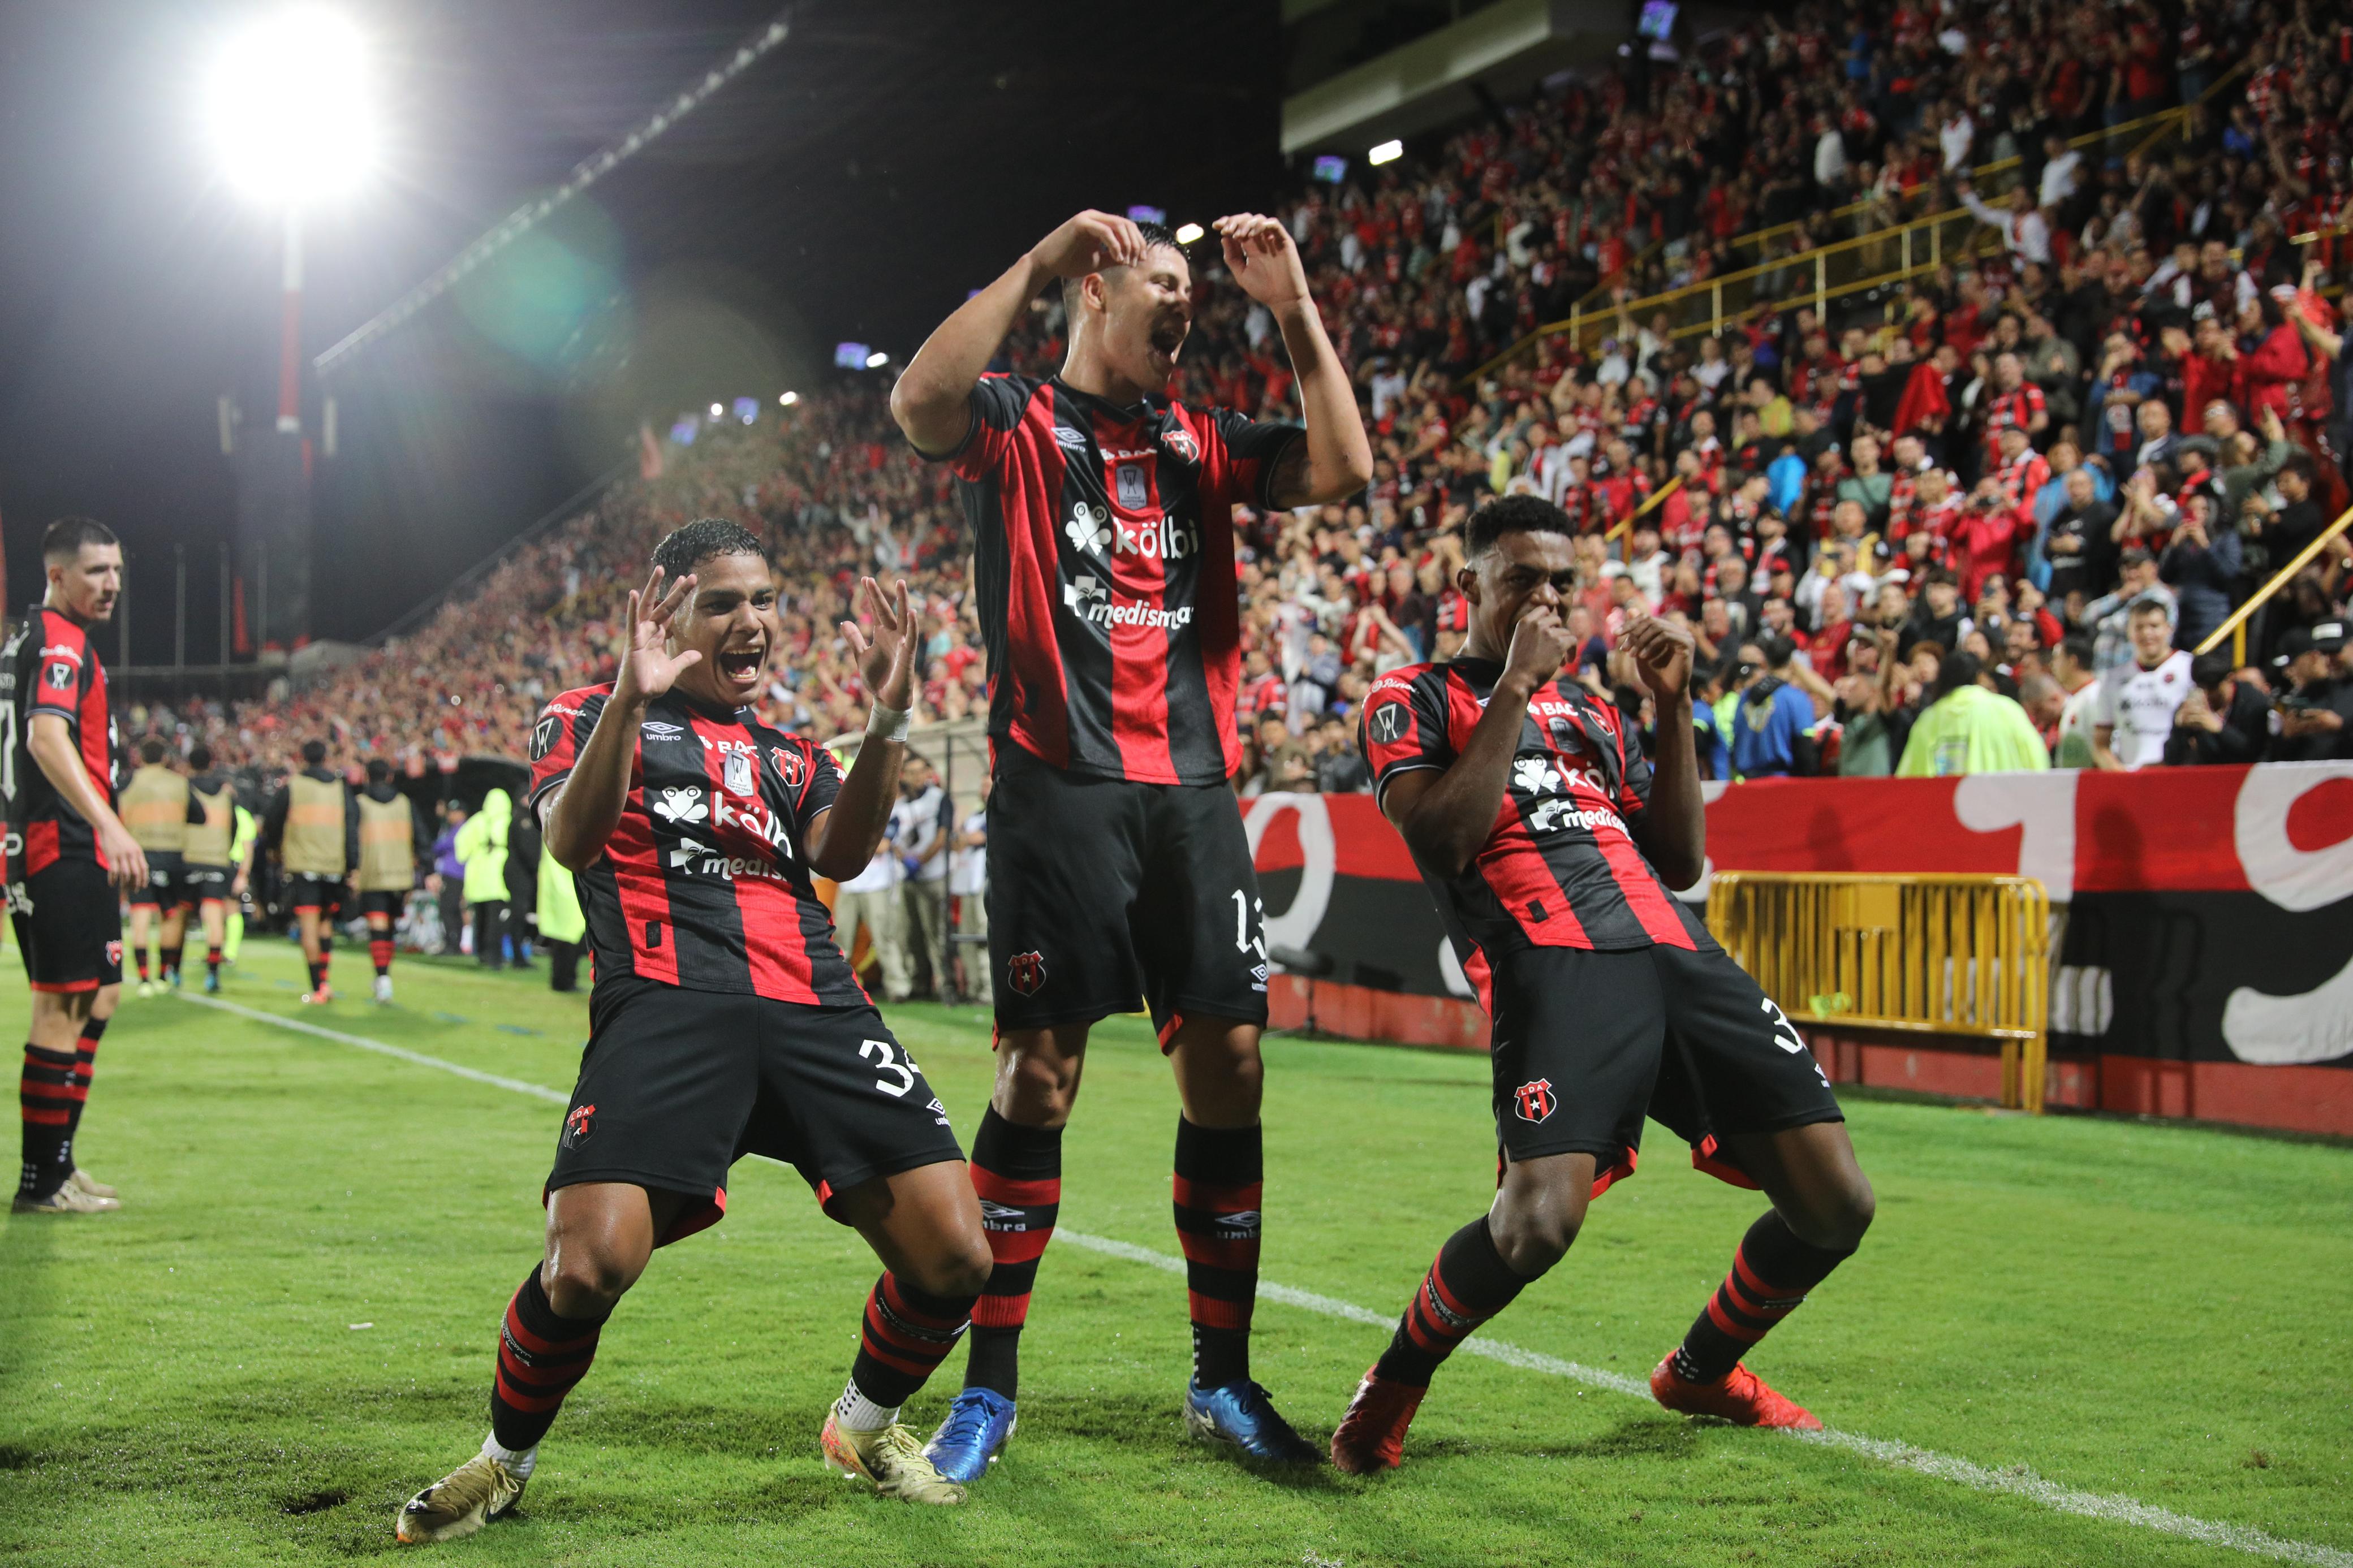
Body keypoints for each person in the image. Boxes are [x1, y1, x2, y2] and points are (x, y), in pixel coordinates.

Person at [890, 209, 1370, 1475]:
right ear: (1098, 291)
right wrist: (1036, 256)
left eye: (1194, 294)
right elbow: (918, 402)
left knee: (1231, 1071)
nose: (1184, 305)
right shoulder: (1016, 423)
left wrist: (1294, 307)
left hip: (1194, 792)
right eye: (1165, 281)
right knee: (1038, 1080)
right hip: (1059, 785)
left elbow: (1344, 474)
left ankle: (1222, 1382)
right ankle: (987, 1390)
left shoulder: (1202, 442)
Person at [394, 521, 989, 1541]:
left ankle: (865, 1424)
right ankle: (502, 1462)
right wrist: (628, 697)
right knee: (585, 1266)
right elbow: (573, 841)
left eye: (764, 601)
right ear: (667, 611)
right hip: (667, 1004)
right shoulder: (581, 715)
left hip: (813, 1003)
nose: (753, 622)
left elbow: (841, 852)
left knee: (957, 1256)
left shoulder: (791, 752)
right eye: (724, 604)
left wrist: (890, 712)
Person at [1337, 495, 1871, 1471]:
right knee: (1537, 1223)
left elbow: (1678, 859)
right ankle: (1395, 1381)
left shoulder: (1594, 709)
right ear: (1470, 586)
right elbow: (1445, 840)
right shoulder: (1406, 696)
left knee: (1837, 1204)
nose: (1548, 598)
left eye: (1562, 582)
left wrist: (1670, 708)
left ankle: (1701, 1369)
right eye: (1523, 579)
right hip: (1555, 960)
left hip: (1679, 951)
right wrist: (1511, 690)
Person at [5, 516, 141, 1215]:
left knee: (101, 996)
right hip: (61, 845)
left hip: (57, 843)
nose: (111, 582)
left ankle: (60, 1161)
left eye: (116, 569)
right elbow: (45, 736)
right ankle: (41, 1181)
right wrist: (110, 824)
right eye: (95, 571)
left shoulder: (36, 635)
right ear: (56, 575)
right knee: (59, 1010)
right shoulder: (59, 641)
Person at [263, 739, 357, 1003]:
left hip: (304, 864)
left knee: (309, 926)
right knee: (326, 924)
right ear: (326, 758)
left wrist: (274, 849)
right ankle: (325, 982)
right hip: (334, 865)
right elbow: (352, 825)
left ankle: (318, 987)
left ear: (302, 757)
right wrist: (352, 865)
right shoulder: (340, 788)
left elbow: (273, 820)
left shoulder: (294, 786)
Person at [118, 736, 201, 995]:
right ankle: (164, 976)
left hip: (139, 856)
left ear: (140, 757)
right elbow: (200, 816)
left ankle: (144, 980)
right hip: (173, 856)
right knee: (170, 917)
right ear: (165, 758)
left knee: (140, 916)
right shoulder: (180, 783)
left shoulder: (128, 781)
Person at [1894, 652, 2052, 776]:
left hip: (1947, 812)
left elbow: (1909, 779)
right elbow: (2037, 760)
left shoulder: (1929, 720)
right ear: (1980, 677)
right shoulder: (2007, 709)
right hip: (2004, 810)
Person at [2092, 601, 2193, 771]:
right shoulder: (2112, 679)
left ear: (2169, 628)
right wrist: (2120, 775)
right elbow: (2100, 744)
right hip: (2132, 782)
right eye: (2139, 627)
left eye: (2154, 626)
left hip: (2180, 778)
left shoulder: (2190, 669)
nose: (2147, 633)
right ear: (2129, 633)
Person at [354, 758, 422, 1003]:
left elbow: (352, 838)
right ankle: (384, 978)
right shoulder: (405, 804)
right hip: (400, 875)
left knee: (378, 927)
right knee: (389, 929)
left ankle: (383, 979)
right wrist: (427, 866)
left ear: (366, 776)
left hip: (372, 872)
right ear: (390, 777)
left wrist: (352, 868)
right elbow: (421, 836)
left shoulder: (360, 804)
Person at [180, 744, 243, 993]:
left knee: (181, 915)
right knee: (215, 916)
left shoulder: (183, 788)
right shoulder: (226, 793)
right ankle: (213, 974)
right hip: (218, 859)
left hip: (188, 858)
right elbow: (234, 827)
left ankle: (171, 972)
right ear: (211, 763)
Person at [897, 754, 953, 999]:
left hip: (934, 875)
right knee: (911, 933)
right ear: (904, 776)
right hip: (908, 877)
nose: (918, 776)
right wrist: (903, 859)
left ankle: (944, 985)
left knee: (936, 934)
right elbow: (891, 836)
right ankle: (918, 984)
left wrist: (920, 861)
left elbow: (943, 836)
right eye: (912, 772)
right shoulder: (899, 804)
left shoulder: (939, 798)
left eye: (922, 771)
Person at [2266, 622, 2353, 763]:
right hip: (2312, 778)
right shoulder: (2309, 693)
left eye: (2335, 651)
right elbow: (2277, 754)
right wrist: (2288, 734)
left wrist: (2341, 727)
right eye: (2323, 653)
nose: (2329, 660)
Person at [454, 787, 511, 969]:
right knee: (496, 920)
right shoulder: (508, 821)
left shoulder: (477, 821)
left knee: (480, 918)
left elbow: (461, 845)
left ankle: (482, 954)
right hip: (498, 879)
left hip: (477, 877)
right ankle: (495, 956)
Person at [947, 772, 990, 1007]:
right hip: (965, 885)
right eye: (982, 785)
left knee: (984, 938)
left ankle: (988, 991)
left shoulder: (997, 813)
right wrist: (963, 837)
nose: (984, 790)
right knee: (966, 940)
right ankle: (974, 989)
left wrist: (964, 838)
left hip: (983, 883)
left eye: (988, 785)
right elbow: (957, 841)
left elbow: (977, 838)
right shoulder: (975, 816)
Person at [535, 821, 587, 992]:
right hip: (568, 884)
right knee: (568, 938)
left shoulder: (551, 822)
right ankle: (565, 981)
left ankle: (561, 980)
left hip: (555, 884)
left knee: (561, 937)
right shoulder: (572, 823)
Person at [430, 801, 466, 956]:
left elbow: (441, 846)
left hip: (455, 873)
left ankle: (452, 944)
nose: (450, 815)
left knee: (448, 908)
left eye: (454, 812)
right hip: (455, 873)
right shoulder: (453, 828)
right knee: (453, 909)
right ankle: (454, 943)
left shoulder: (462, 829)